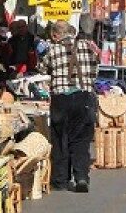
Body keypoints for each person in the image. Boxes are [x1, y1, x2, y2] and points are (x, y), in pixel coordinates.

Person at [39, 20, 98, 194]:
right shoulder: (88, 47)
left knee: (60, 138)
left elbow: (43, 70)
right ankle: (81, 177)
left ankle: (60, 180)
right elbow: (94, 72)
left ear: (55, 35)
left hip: (61, 99)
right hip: (83, 97)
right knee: (81, 139)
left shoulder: (52, 49)